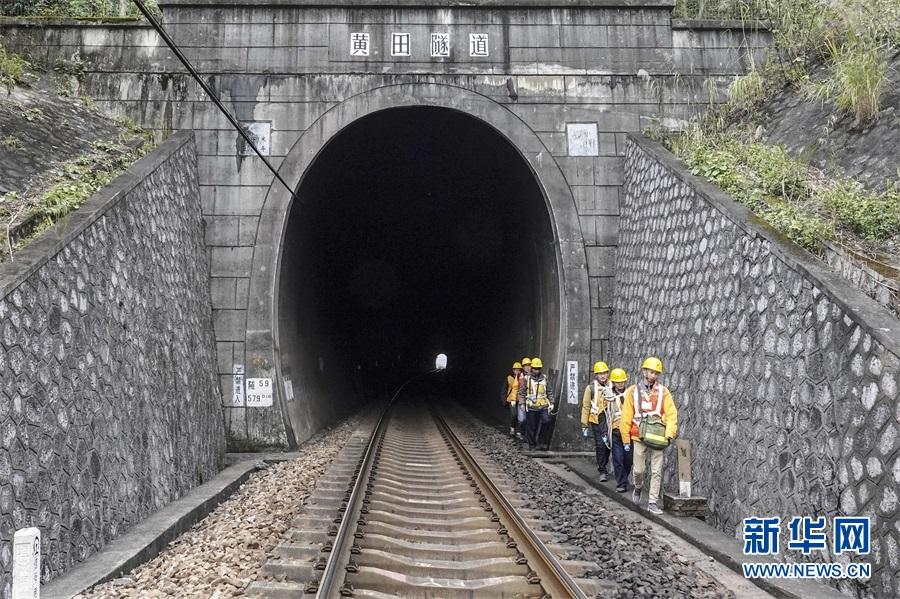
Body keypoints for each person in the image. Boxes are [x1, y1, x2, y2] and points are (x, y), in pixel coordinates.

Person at [619, 357, 677, 515]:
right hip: (638, 436)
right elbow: (626, 417)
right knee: (638, 470)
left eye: (656, 373)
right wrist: (625, 439)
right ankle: (638, 487)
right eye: (651, 371)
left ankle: (652, 501)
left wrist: (669, 434)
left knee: (657, 471)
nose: (653, 375)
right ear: (644, 371)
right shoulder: (632, 391)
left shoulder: (664, 392)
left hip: (658, 437)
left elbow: (671, 414)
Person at [581, 361, 613, 481]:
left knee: (608, 445)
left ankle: (603, 466)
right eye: (600, 374)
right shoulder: (590, 388)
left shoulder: (612, 385)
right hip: (596, 420)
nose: (603, 375)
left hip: (609, 419)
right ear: (596, 375)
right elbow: (586, 406)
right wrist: (584, 424)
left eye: (605, 373)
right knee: (600, 445)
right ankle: (602, 470)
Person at [519, 357, 553, 451]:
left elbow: (549, 391)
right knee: (532, 426)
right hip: (532, 406)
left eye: (538, 368)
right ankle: (532, 444)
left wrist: (552, 402)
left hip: (543, 405)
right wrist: (522, 403)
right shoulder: (527, 379)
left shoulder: (545, 378)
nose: (537, 370)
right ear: (532, 368)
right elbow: (521, 392)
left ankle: (541, 442)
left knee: (546, 421)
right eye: (535, 368)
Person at [607, 368, 632, 492]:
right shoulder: (608, 395)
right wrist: (603, 432)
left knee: (628, 459)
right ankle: (621, 483)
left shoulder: (630, 394)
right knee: (618, 458)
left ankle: (624, 478)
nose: (620, 384)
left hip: (628, 431)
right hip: (615, 430)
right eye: (618, 382)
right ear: (613, 382)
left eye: (622, 381)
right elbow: (603, 413)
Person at [504, 361, 522, 437]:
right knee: (514, 414)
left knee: (520, 416)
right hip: (512, 399)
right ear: (513, 370)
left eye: (519, 370)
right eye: (516, 370)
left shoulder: (522, 378)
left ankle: (518, 431)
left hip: (520, 399)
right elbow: (504, 389)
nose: (517, 371)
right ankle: (512, 428)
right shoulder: (509, 378)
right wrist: (504, 399)